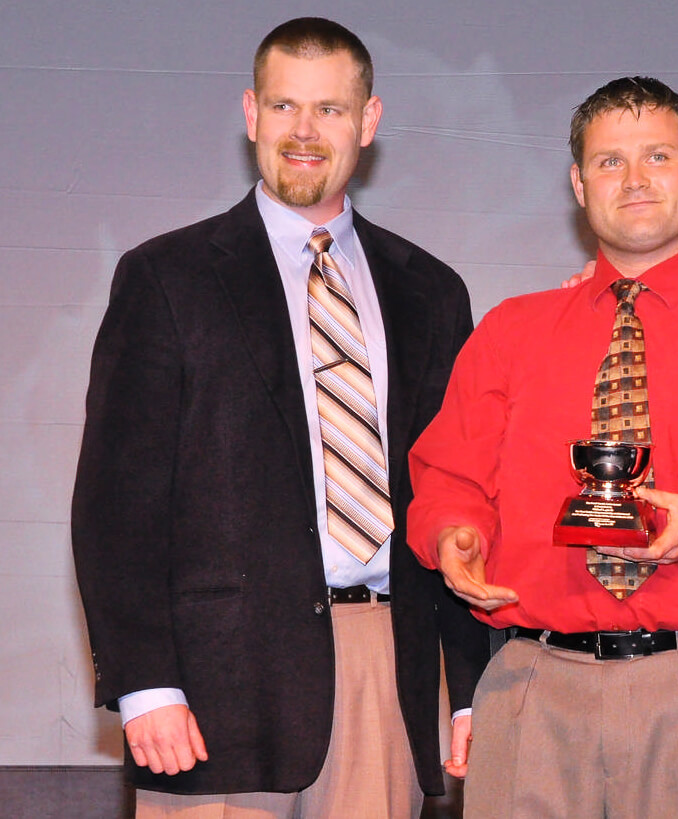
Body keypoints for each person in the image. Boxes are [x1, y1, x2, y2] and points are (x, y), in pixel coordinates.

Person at [71, 17, 488, 818]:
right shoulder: (166, 277)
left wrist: (470, 689)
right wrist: (144, 681)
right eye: (285, 106)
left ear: (367, 122)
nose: (304, 131)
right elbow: (115, 506)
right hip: (209, 686)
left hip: (381, 668)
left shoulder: (431, 292)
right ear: (251, 112)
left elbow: (456, 493)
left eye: (330, 109)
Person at [406, 76, 678, 817]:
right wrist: (453, 534)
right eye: (608, 162)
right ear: (576, 182)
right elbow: (448, 472)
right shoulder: (511, 331)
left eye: (657, 156)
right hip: (530, 682)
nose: (633, 180)